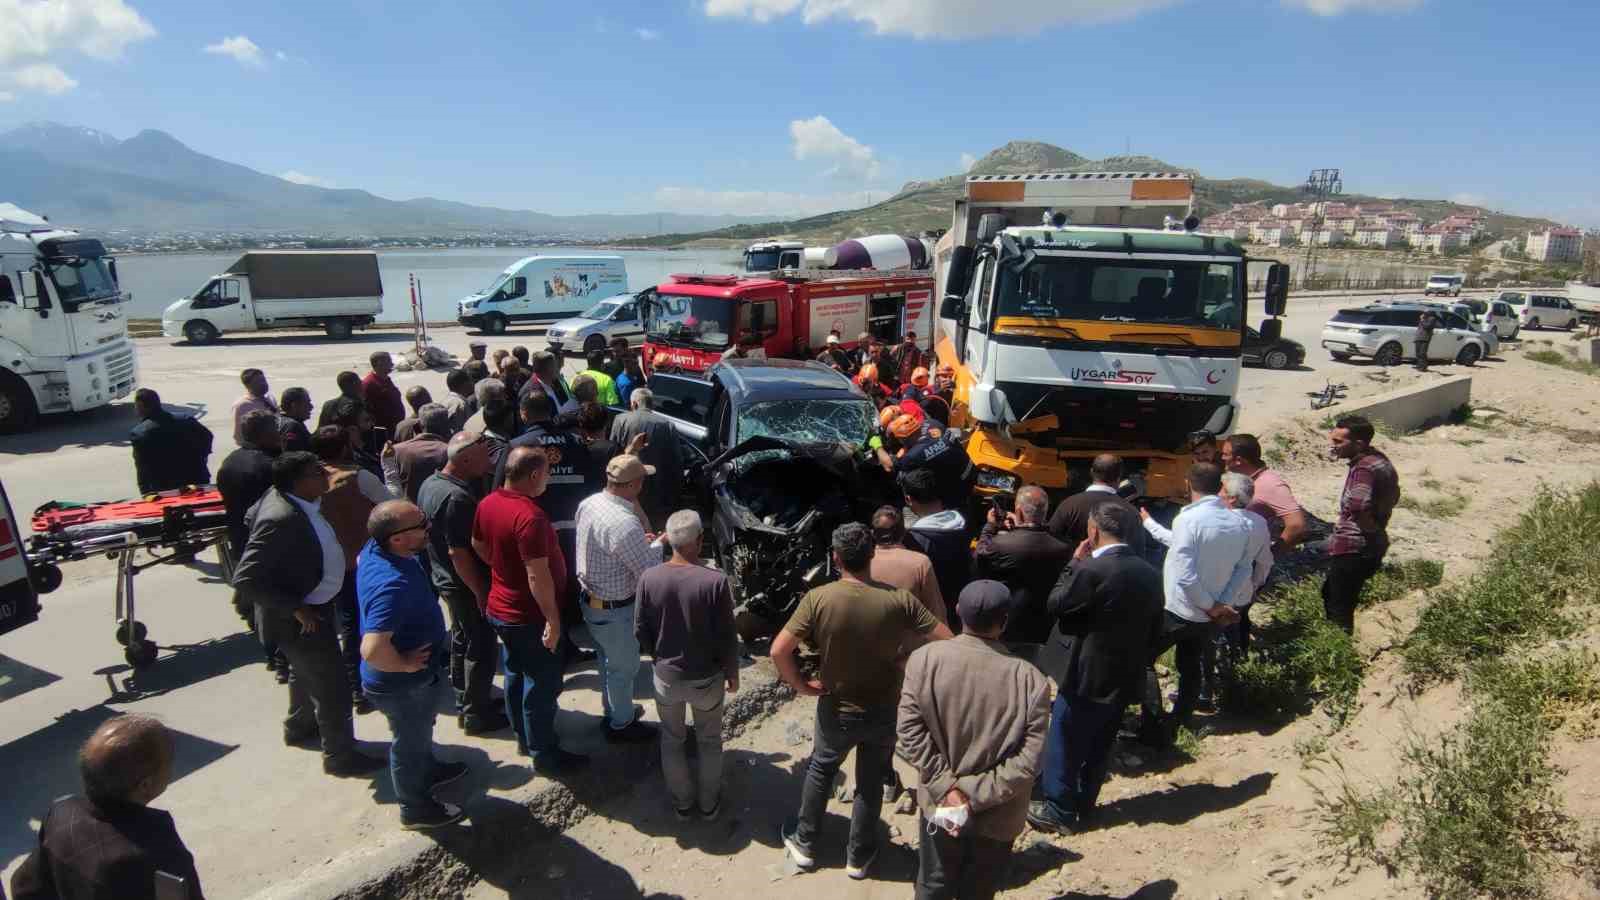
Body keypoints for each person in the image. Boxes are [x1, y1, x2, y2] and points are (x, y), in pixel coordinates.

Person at [775, 523, 953, 878]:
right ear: (871, 555)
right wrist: (905, 661)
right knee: (871, 781)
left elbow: (779, 650)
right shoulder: (899, 599)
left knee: (821, 768)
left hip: (836, 704)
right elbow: (946, 640)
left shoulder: (819, 598)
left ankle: (806, 843)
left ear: (836, 558)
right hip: (885, 705)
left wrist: (802, 685)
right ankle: (859, 857)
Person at [231, 452, 384, 776]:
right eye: (318, 472)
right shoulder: (280, 517)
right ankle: (340, 757)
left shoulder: (292, 501)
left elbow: (249, 517)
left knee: (304, 673)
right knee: (333, 687)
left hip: (313, 606)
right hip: (300, 619)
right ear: (300, 482)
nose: (326, 474)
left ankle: (300, 726)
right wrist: (296, 607)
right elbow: (245, 578)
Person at [899, 581, 1051, 899]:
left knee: (933, 884)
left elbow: (909, 732)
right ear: (1005, 620)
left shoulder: (924, 660)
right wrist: (973, 795)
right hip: (998, 815)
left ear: (957, 611)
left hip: (941, 807)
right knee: (979, 891)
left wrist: (949, 791)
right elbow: (1029, 762)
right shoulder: (1030, 680)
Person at [1028, 505, 1163, 835]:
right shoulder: (1150, 572)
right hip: (1124, 668)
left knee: (1064, 733)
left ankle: (1057, 809)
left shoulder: (1093, 569)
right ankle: (1086, 802)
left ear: (1092, 533)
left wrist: (1074, 563)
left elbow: (1057, 604)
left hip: (1085, 669)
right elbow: (1156, 625)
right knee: (1102, 740)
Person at [472, 447, 587, 774]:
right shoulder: (530, 517)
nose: (548, 480)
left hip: (500, 609)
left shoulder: (488, 503)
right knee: (542, 685)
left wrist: (503, 569)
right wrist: (552, 620)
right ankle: (545, 754)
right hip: (527, 616)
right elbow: (538, 576)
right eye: (547, 474)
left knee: (515, 673)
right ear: (534, 475)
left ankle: (524, 737)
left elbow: (478, 543)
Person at [357, 500, 467, 830]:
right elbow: (372, 648)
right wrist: (404, 665)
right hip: (402, 684)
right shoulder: (392, 584)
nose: (428, 528)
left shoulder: (378, 548)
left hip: (415, 678)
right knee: (409, 743)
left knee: (420, 734)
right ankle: (415, 808)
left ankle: (428, 768)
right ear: (398, 539)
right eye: (421, 525)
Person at [10, 715, 205, 900]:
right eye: (169, 762)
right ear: (145, 785)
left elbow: (24, 886)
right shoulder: (157, 848)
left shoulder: (62, 812)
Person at [635, 509, 739, 819]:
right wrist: (731, 672)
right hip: (706, 679)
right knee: (709, 741)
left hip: (666, 677)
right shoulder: (715, 581)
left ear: (669, 540)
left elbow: (640, 627)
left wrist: (658, 658)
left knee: (672, 740)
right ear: (699, 541)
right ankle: (709, 805)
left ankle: (682, 804)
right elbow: (726, 635)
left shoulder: (649, 577)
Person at [1138, 463, 1250, 743]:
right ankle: (1182, 719)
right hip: (1208, 615)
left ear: (1188, 484)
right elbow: (1243, 569)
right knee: (1190, 665)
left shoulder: (1188, 519)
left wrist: (1210, 605)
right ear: (1219, 487)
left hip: (1179, 610)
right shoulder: (1238, 522)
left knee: (1142, 660)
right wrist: (1220, 604)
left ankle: (1152, 729)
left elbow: (1185, 573)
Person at [418, 431, 507, 734]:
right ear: (465, 459)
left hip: (446, 579)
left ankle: (464, 698)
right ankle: (475, 713)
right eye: (483, 457)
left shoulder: (431, 484)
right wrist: (481, 591)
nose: (489, 462)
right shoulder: (458, 497)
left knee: (462, 638)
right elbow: (459, 552)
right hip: (464, 583)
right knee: (481, 646)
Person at [573, 454, 659, 742]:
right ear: (634, 484)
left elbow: (609, 547)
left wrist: (639, 545)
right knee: (624, 668)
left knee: (607, 661)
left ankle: (614, 710)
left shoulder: (590, 503)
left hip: (591, 602)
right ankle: (621, 725)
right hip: (615, 610)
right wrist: (659, 545)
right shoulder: (625, 523)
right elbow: (649, 571)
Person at [312, 424, 392, 712]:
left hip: (332, 563)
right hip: (365, 561)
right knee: (371, 620)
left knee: (348, 623)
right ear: (346, 447)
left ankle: (355, 687)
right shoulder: (359, 477)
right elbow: (391, 506)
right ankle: (371, 680)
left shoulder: (312, 479)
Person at [974, 485, 1075, 654]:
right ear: (1045, 511)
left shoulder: (1001, 544)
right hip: (1045, 627)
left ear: (1018, 511)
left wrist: (990, 527)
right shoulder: (1064, 547)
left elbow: (980, 556)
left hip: (1007, 626)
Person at [1324, 415, 1400, 635]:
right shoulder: (1380, 460)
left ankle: (1338, 653)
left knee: (1338, 607)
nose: (1333, 446)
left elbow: (1358, 505)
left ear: (1359, 444)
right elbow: (1395, 495)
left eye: (1339, 442)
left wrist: (1369, 530)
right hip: (1372, 544)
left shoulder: (1364, 469)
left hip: (1354, 547)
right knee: (1335, 595)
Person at [608, 388, 683, 531]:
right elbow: (676, 462)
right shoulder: (667, 425)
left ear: (634, 404)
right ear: (651, 405)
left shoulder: (620, 420)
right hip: (658, 492)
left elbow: (613, 455)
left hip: (626, 488)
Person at [1222, 433, 1309, 555]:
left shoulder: (1271, 484)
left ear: (1238, 460)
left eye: (1225, 454)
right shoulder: (1236, 477)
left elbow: (1296, 525)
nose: (1222, 458)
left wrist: (1270, 556)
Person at [1219, 472, 1274, 656]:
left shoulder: (1217, 521)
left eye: (1222, 490)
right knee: (1238, 626)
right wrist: (1256, 585)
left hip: (1215, 592)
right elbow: (1265, 561)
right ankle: (1239, 664)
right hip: (1243, 590)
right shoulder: (1259, 522)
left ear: (1232, 498)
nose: (1218, 494)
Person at [1047, 454, 1146, 557]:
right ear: (1119, 476)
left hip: (1076, 570)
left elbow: (1050, 542)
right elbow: (1139, 554)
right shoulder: (1131, 512)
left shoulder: (1069, 505)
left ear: (1091, 472)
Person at [902, 468, 971, 615]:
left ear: (908, 499)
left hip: (935, 612)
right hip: (963, 603)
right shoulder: (965, 522)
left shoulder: (913, 541)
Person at [218, 410, 281, 564]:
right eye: (275, 430)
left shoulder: (231, 459)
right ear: (264, 435)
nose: (279, 434)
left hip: (240, 538)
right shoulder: (269, 466)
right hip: (267, 544)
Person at [876, 414, 973, 513]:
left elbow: (890, 467)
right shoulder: (933, 423)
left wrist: (877, 446)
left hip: (958, 489)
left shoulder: (911, 457)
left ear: (903, 439)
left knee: (904, 477)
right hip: (970, 469)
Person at [868, 506, 946, 625]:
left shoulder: (862, 562)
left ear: (873, 534)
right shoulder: (920, 563)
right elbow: (936, 613)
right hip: (912, 641)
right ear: (903, 533)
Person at [129, 388, 213, 494]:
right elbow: (208, 437)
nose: (135, 408)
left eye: (136, 405)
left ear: (141, 406)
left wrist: (145, 492)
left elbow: (142, 466)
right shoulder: (186, 420)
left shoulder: (140, 433)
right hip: (197, 480)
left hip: (165, 488)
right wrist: (202, 459)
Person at [391, 404, 451, 502]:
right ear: (448, 426)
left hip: (406, 511)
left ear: (418, 426)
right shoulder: (449, 452)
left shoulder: (396, 451)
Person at [231, 368, 278, 446]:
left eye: (264, 380)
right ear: (248, 385)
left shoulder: (270, 399)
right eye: (258, 382)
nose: (264, 384)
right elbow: (238, 436)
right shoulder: (242, 405)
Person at [362, 351, 405, 435]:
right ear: (379, 363)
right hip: (384, 431)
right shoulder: (369, 383)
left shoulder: (386, 379)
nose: (392, 364)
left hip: (394, 427)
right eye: (389, 361)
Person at [526, 350, 576, 417]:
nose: (559, 368)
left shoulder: (555, 382)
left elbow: (568, 404)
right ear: (549, 370)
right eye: (556, 366)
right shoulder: (532, 392)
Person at [277, 387, 314, 452]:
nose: (311, 407)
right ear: (294, 405)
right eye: (307, 403)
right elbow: (294, 457)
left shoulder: (280, 420)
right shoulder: (293, 426)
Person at [442, 368, 475, 434]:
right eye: (470, 380)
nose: (473, 383)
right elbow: (465, 432)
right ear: (465, 384)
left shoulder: (444, 401)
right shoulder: (462, 405)